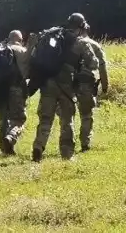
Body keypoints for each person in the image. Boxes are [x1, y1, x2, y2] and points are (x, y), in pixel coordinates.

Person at [31, 13, 98, 162]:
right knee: (67, 119)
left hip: (47, 84)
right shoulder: (80, 42)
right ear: (81, 27)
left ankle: (38, 146)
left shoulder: (53, 36)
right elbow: (94, 63)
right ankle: (67, 153)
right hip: (66, 86)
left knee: (46, 118)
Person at [0, 30, 30, 155]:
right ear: (20, 40)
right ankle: (11, 136)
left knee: (3, 119)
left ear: (8, 38)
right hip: (16, 89)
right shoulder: (22, 51)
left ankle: (5, 149)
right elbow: (28, 72)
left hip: (0, 90)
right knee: (19, 119)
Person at [75, 24, 109, 152]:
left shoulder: (69, 44)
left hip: (68, 86)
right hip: (87, 85)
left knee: (68, 116)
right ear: (86, 29)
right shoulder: (94, 45)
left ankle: (68, 142)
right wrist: (105, 86)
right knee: (86, 115)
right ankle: (85, 143)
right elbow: (102, 67)